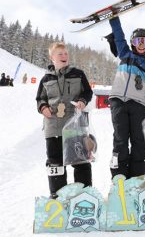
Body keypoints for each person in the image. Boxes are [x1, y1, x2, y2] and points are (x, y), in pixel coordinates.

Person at [36, 42, 93, 199]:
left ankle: (85, 195)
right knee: (55, 163)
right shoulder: (45, 79)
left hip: (74, 125)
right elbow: (40, 99)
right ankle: (58, 197)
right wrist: (43, 107)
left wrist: (82, 100)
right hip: (53, 127)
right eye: (60, 54)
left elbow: (88, 92)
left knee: (80, 161)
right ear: (51, 57)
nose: (64, 56)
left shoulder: (78, 74)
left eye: (66, 54)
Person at [107, 16, 145, 179]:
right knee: (120, 140)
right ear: (132, 43)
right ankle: (119, 178)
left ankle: (136, 179)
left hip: (137, 104)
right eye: (138, 41)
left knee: (138, 141)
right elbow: (119, 36)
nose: (141, 44)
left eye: (144, 41)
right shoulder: (124, 53)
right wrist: (114, 19)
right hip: (118, 102)